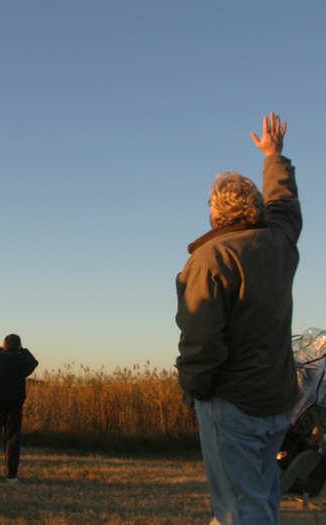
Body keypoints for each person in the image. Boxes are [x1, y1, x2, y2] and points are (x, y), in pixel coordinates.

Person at [175, 112, 300, 525]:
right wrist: (273, 156)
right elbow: (284, 205)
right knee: (262, 501)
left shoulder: (211, 259)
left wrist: (194, 388)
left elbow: (202, 341)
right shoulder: (279, 242)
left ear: (215, 214)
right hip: (278, 401)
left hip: (232, 404)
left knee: (238, 512)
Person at [0, 333, 38, 482]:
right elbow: (34, 362)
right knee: (12, 439)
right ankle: (11, 475)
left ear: (4, 344)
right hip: (14, 405)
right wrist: (22, 350)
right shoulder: (21, 361)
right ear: (19, 346)